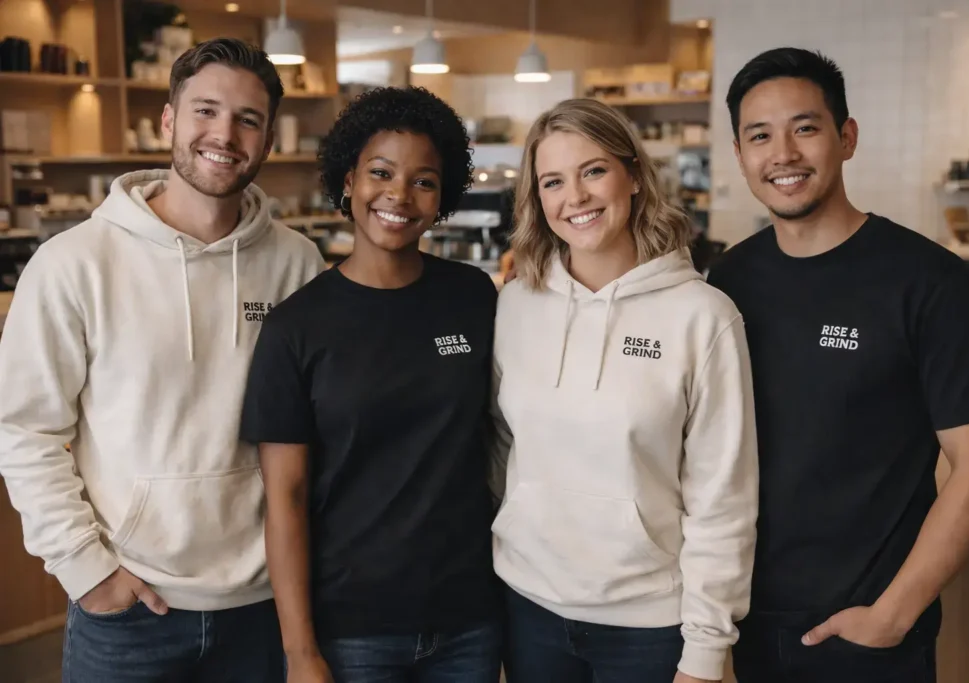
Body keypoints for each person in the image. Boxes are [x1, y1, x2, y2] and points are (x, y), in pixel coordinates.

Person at [0, 37, 325, 682]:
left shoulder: (298, 265)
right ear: (170, 120)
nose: (224, 134)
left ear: (266, 139)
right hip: (128, 612)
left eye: (247, 119)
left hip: (265, 606)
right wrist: (87, 572)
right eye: (205, 110)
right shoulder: (73, 264)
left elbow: (322, 428)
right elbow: (25, 431)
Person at [707, 47, 969, 683]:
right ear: (740, 155)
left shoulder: (929, 281)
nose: (784, 154)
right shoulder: (731, 278)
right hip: (741, 618)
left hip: (863, 632)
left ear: (846, 138)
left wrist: (892, 616)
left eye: (806, 127)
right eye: (759, 135)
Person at [489, 98, 759, 683]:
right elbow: (501, 449)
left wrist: (707, 651)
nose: (575, 198)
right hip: (527, 608)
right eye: (553, 182)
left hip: (649, 627)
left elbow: (724, 497)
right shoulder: (514, 305)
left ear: (633, 175)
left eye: (593, 171)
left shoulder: (703, 316)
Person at [239, 86, 502, 683]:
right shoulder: (295, 328)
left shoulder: (472, 298)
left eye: (424, 181)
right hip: (352, 628)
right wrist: (301, 652)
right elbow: (286, 501)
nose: (399, 196)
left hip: (469, 618)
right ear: (350, 179)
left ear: (444, 196)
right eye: (381, 172)